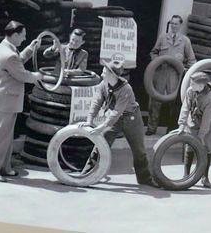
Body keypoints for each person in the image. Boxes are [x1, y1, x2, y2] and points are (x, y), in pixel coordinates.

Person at [0, 21, 43, 182]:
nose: (24, 39)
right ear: (15, 35)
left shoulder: (5, 48)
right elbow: (22, 75)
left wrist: (30, 48)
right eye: (22, 37)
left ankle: (4, 167)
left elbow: (17, 60)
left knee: (6, 137)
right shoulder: (8, 54)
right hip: (4, 101)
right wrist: (38, 76)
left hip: (5, 100)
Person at [82, 59, 157, 187]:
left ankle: (145, 179)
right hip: (114, 120)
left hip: (131, 119)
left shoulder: (126, 89)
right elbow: (96, 102)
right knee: (100, 145)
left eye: (105, 71)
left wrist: (102, 126)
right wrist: (89, 120)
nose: (102, 73)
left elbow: (117, 111)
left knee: (139, 150)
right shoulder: (103, 84)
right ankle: (86, 175)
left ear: (113, 74)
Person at [146, 14, 196, 135]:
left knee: (173, 102)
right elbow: (153, 52)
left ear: (180, 25)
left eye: (176, 24)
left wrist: (184, 69)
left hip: (175, 75)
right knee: (155, 100)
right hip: (161, 73)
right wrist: (156, 61)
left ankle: (171, 128)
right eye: (172, 23)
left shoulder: (185, 41)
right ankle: (151, 128)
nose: (173, 26)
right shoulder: (163, 37)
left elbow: (192, 60)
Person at [177, 71, 211, 188]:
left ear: (201, 86)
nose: (191, 85)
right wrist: (181, 124)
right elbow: (185, 108)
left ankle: (205, 176)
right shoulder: (190, 91)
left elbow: (207, 119)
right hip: (193, 120)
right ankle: (186, 175)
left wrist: (201, 135)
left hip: (208, 123)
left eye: (193, 83)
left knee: (207, 147)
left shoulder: (210, 98)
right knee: (189, 145)